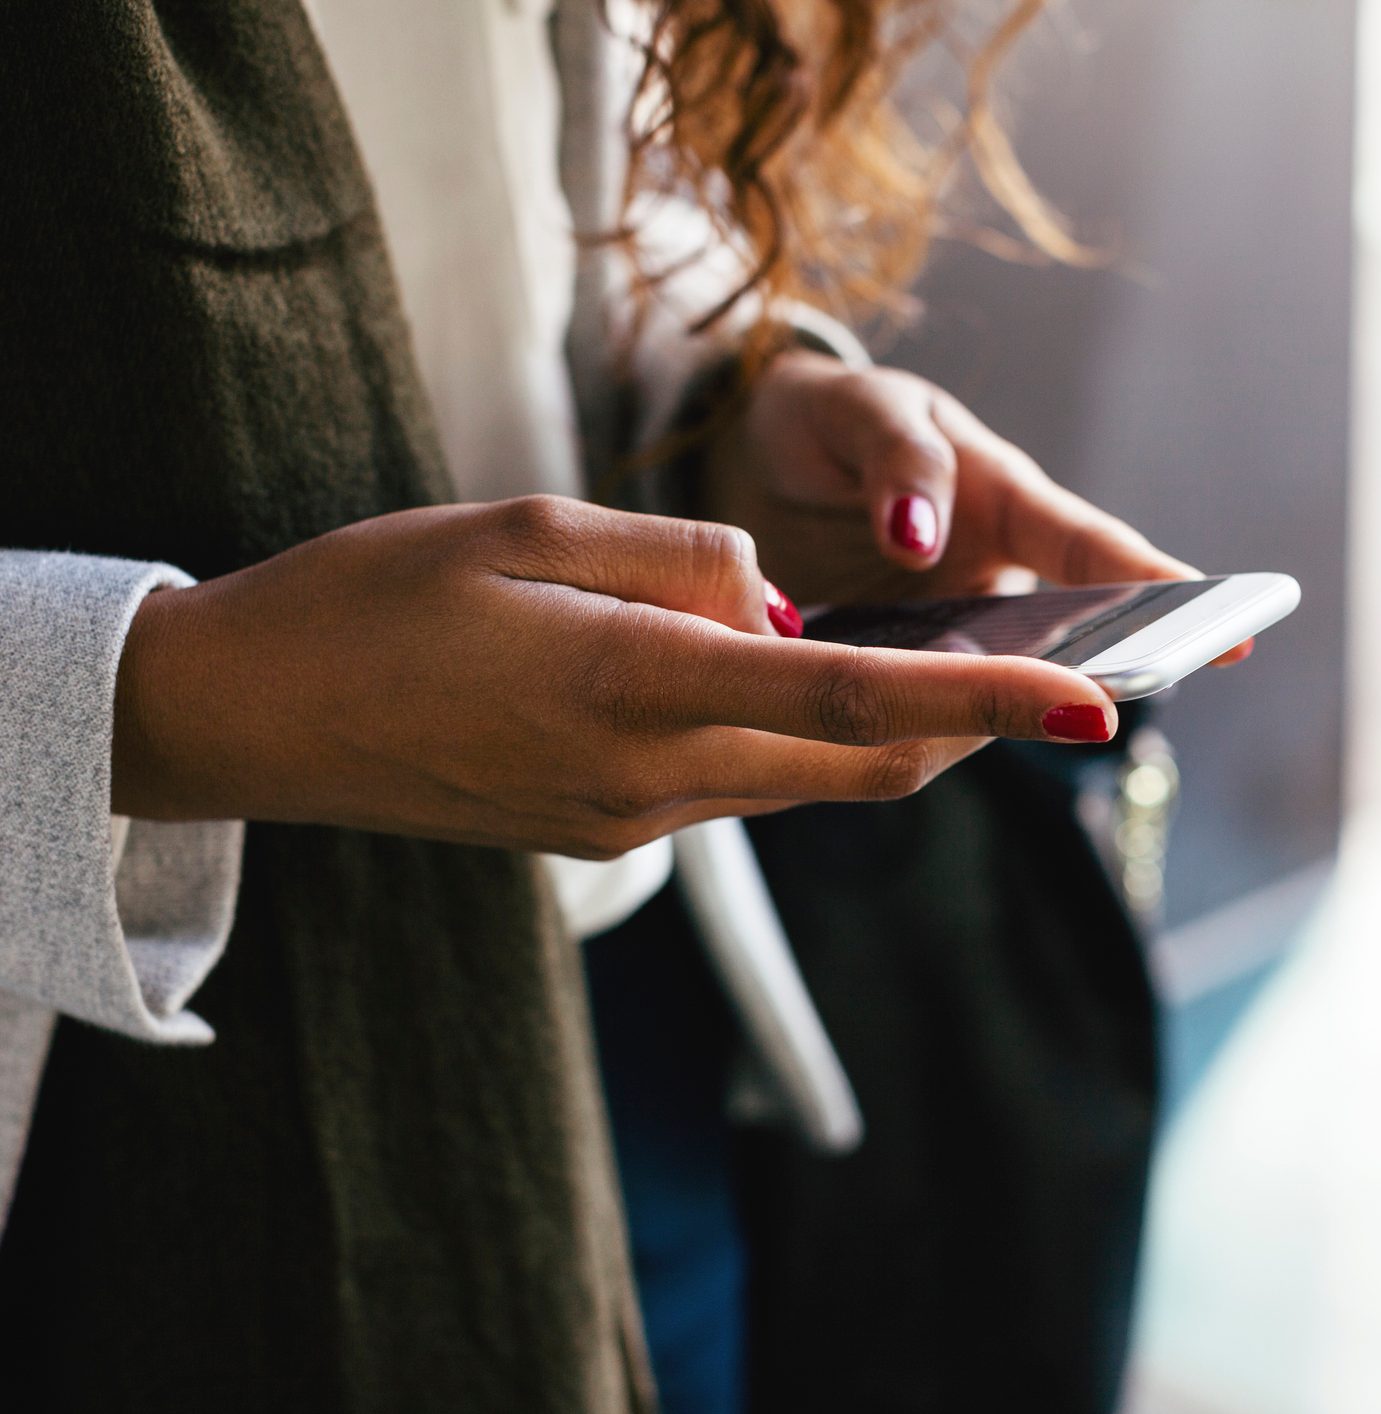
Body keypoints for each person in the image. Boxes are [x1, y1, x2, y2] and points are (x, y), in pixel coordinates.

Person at [0, 0, 1235, 1407]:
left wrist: (717, 418)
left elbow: (505, 189)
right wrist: (170, 702)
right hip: (102, 1084)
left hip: (617, 985)